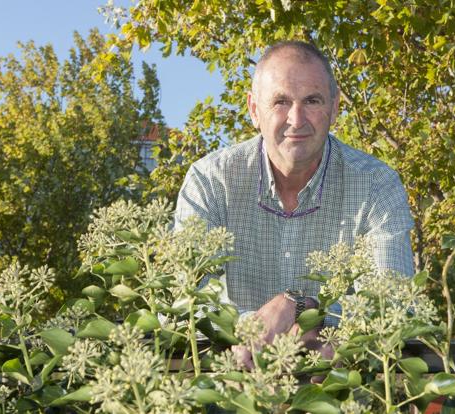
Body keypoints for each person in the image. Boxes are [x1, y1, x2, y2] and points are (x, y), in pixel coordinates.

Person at [174, 41, 414, 368]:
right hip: (234, 392)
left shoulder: (376, 185)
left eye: (312, 101)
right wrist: (254, 327)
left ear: (334, 107)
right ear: (254, 110)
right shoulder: (210, 180)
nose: (296, 119)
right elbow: (179, 304)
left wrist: (305, 309)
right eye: (280, 102)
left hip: (337, 389)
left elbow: (395, 305)